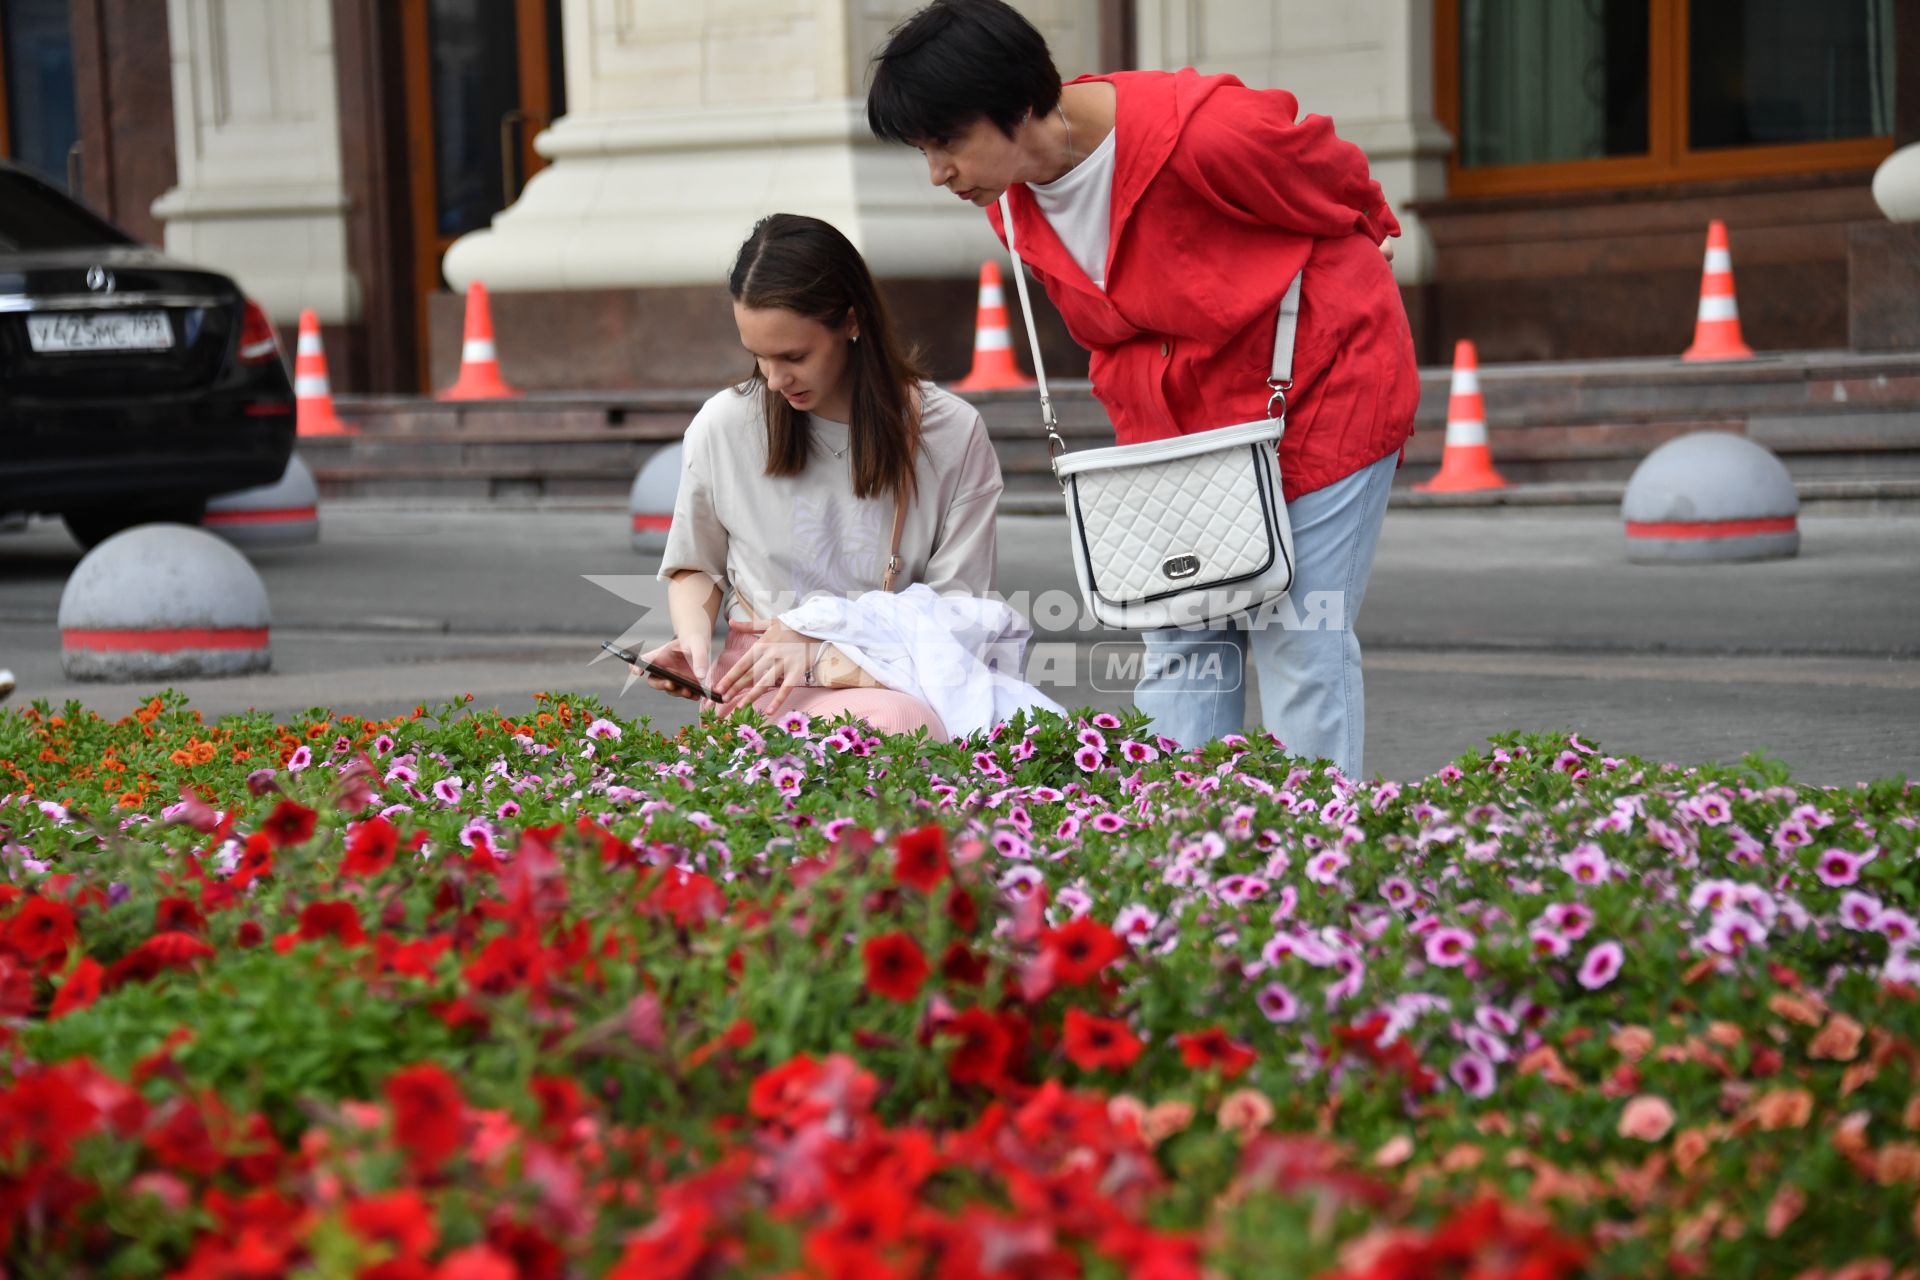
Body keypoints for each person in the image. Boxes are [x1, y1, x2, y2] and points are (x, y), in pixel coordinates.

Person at [866, 0, 1419, 777]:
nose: (939, 173)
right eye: (923, 150)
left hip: (1319, 389)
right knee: (1184, 650)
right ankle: (1180, 852)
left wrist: (1370, 251)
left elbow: (1340, 185)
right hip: (1182, 433)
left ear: (1022, 106)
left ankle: (1310, 860)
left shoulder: (1205, 135)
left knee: (1300, 637)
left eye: (948, 142)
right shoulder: (1014, 210)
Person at [640, 212, 1052, 738]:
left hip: (898, 673)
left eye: (794, 356)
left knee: (906, 722)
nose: (773, 381)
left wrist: (823, 643)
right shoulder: (725, 424)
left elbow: (961, 614)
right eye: (758, 357)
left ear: (852, 321)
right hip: (765, 682)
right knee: (905, 728)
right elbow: (694, 562)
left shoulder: (949, 432)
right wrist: (695, 645)